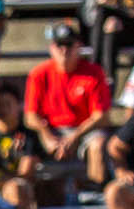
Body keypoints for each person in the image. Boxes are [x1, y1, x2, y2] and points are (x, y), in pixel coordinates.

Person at [25, 22, 110, 190]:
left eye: (69, 44)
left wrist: (75, 136)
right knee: (26, 148)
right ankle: (25, 201)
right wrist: (47, 135)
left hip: (84, 130)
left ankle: (98, 195)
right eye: (59, 45)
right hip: (52, 130)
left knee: (98, 145)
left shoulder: (94, 72)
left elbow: (101, 116)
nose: (64, 50)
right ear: (52, 48)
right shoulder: (39, 74)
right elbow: (30, 117)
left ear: (78, 46)